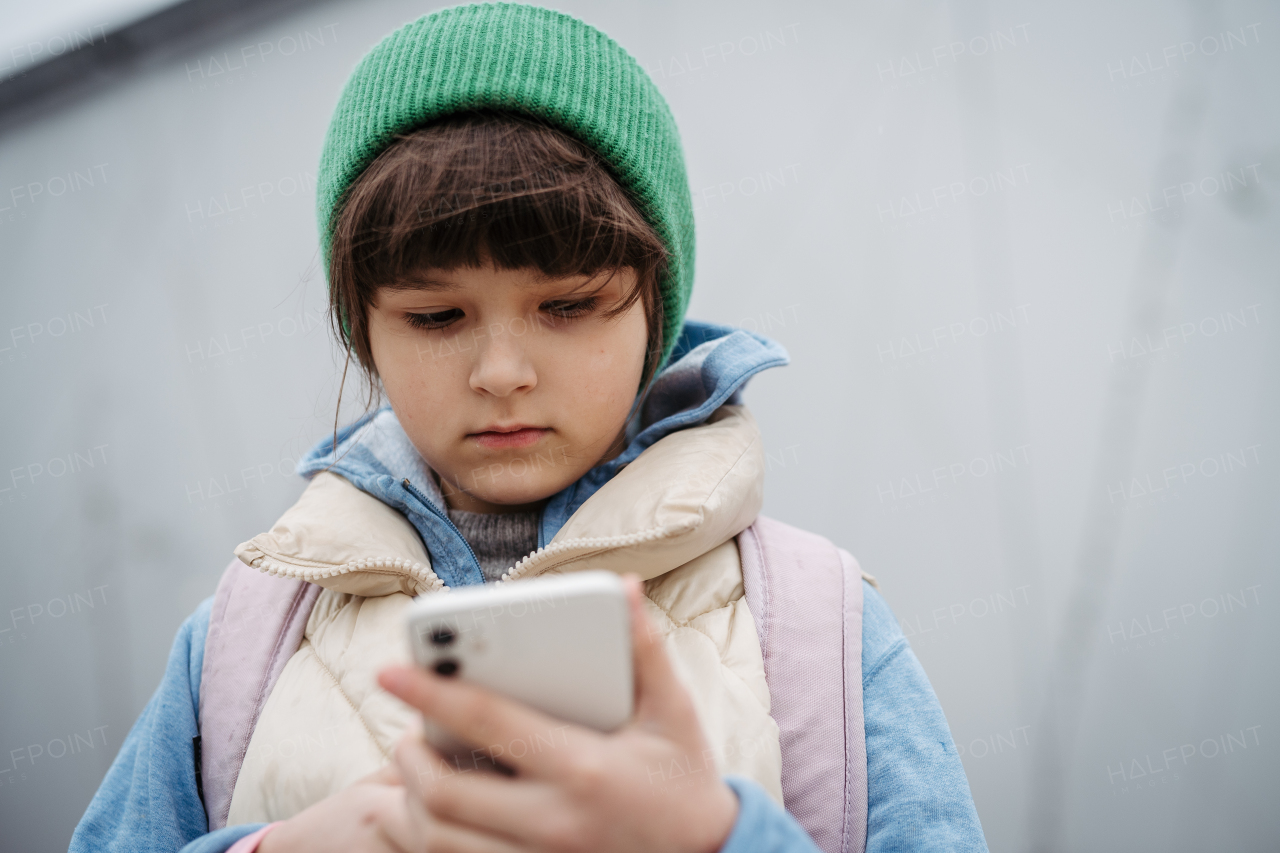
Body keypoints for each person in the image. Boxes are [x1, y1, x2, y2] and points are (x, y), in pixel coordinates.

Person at [69, 4, 988, 852]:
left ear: (654, 315)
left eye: (570, 303)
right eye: (437, 316)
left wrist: (716, 835)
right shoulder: (243, 634)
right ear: (365, 329)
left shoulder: (819, 621)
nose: (502, 371)